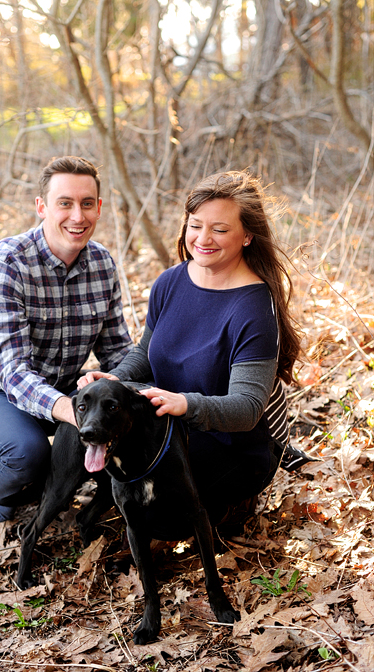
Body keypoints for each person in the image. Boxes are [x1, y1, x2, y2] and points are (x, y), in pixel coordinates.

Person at [80, 170, 302, 529]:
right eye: (196, 225)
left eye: (220, 229)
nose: (203, 239)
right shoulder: (170, 282)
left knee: (158, 519)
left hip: (235, 446)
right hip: (174, 427)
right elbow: (146, 354)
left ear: (247, 235)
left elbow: (246, 409)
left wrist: (185, 403)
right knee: (94, 443)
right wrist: (115, 380)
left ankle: (230, 507)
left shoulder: (255, 307)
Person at [0, 156, 133, 555]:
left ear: (99, 208)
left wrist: (138, 390)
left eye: (87, 203)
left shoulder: (102, 264)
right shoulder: (5, 264)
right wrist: (74, 411)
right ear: (42, 207)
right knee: (26, 451)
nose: (77, 215)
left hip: (61, 382)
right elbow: (13, 372)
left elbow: (118, 351)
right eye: (64, 203)